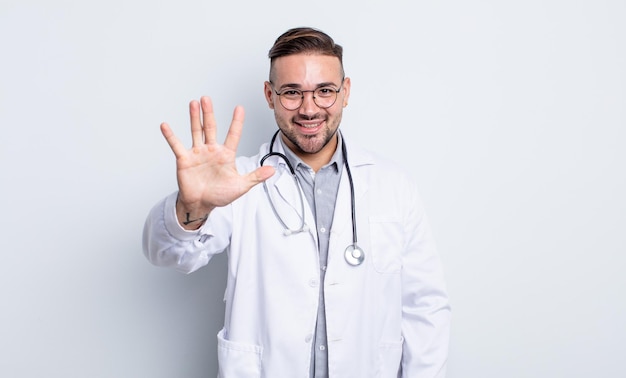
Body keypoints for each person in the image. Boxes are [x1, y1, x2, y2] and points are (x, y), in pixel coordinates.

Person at [143, 26, 451, 378]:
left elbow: (425, 307)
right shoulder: (238, 183)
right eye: (291, 92)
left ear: (345, 92)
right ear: (269, 95)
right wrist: (193, 206)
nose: (309, 109)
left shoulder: (392, 184)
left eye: (324, 91)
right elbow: (166, 254)